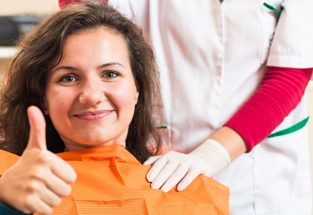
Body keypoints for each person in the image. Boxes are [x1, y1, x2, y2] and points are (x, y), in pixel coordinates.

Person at [0, 2, 229, 215]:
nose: (91, 96)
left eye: (111, 74)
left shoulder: (187, 184)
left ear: (137, 88)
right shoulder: (2, 184)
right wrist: (5, 204)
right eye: (68, 78)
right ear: (42, 98)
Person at [81, 0, 312, 214]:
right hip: (156, 162)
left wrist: (209, 157)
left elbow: (290, 77)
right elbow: (83, 30)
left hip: (258, 175)